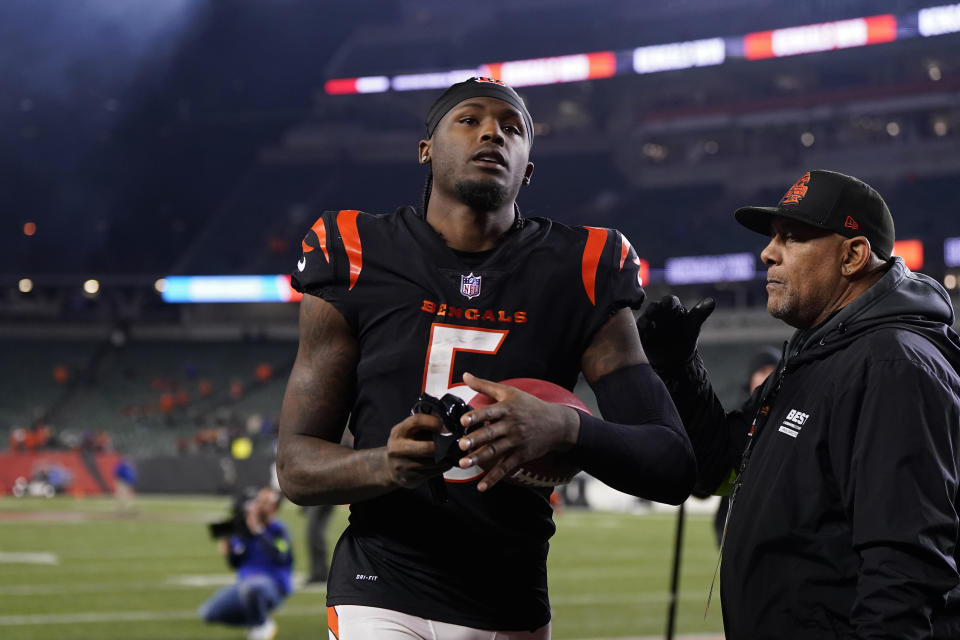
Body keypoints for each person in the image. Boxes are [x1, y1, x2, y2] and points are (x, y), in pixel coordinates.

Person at [277, 76, 696, 639]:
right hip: (381, 586)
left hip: (510, 599)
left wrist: (567, 428)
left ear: (527, 167)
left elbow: (671, 465)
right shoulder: (355, 252)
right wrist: (385, 464)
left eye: (513, 127)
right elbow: (296, 467)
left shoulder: (582, 268)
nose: (492, 133)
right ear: (426, 149)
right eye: (469, 119)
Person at [637, 169, 960, 639]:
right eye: (773, 238)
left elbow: (904, 568)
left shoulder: (893, 365)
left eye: (792, 237)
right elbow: (721, 467)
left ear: (852, 255)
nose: (768, 252)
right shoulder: (818, 351)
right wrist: (679, 368)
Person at [198, 487, 293, 640]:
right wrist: (229, 550)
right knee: (208, 613)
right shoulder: (243, 531)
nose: (258, 505)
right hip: (245, 585)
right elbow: (235, 563)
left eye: (264, 503)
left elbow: (280, 555)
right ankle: (259, 622)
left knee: (252, 587)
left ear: (274, 508)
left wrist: (258, 531)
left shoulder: (279, 531)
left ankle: (260, 625)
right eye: (258, 502)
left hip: (273, 586)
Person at [711, 346, 779, 547]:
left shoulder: (791, 418)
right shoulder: (736, 417)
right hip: (733, 519)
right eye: (761, 372)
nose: (766, 378)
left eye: (771, 372)